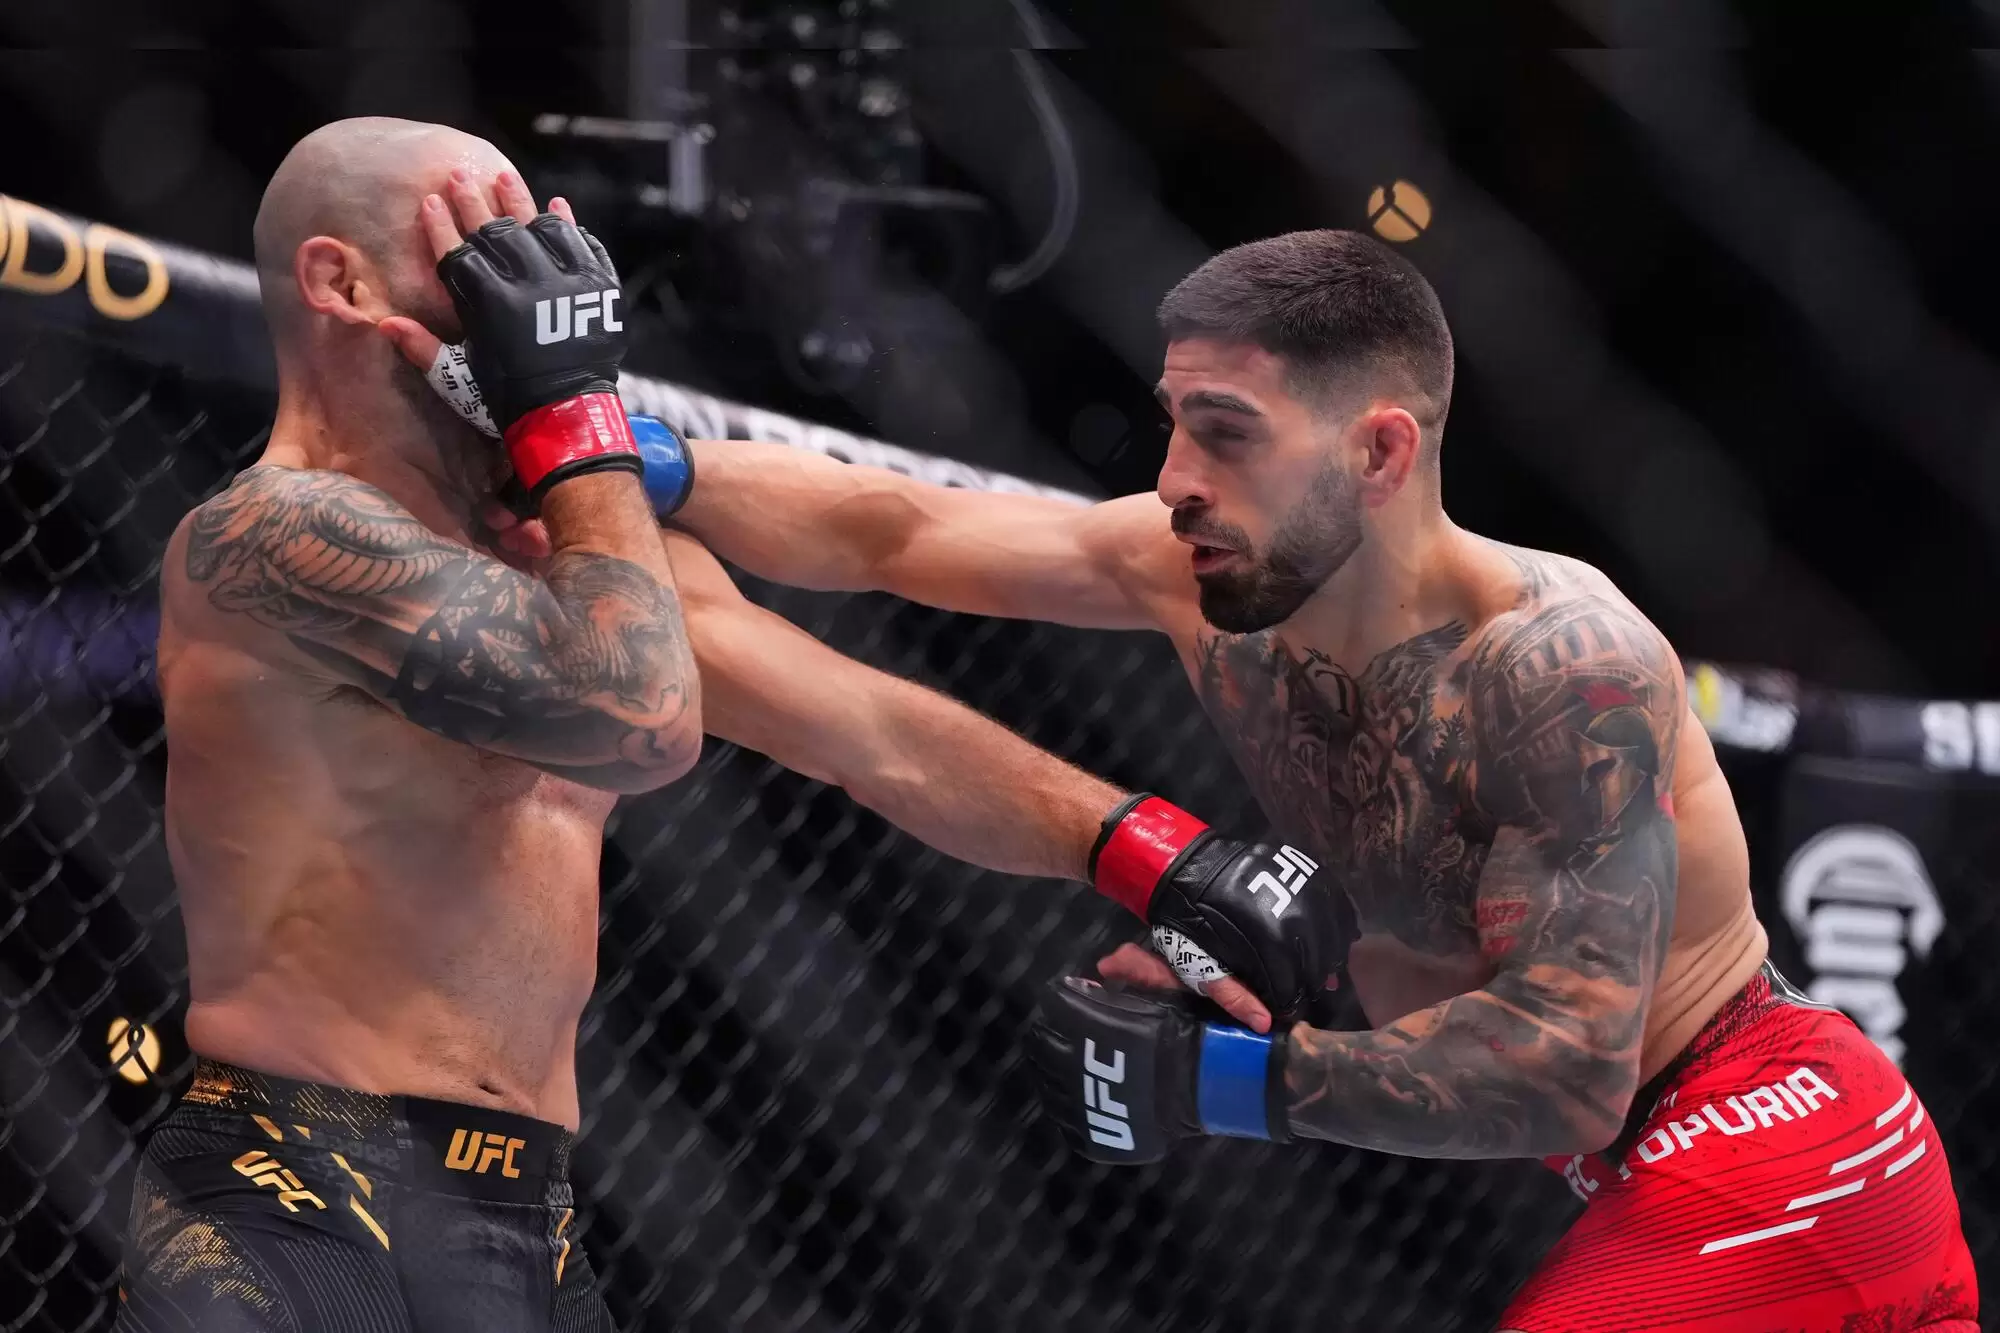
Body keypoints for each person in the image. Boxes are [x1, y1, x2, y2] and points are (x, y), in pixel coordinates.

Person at [123, 119, 1336, 1333]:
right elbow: (637, 724)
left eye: (539, 249)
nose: (530, 290)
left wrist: (1151, 854)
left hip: (523, 1212)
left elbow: (866, 730)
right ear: (340, 281)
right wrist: (570, 415)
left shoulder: (563, 545)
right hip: (296, 1191)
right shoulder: (274, 534)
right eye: (479, 250)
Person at [669, 230, 1979, 1331]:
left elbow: (1567, 1071)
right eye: (1174, 426)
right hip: (1666, 1171)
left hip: (1782, 1133)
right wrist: (640, 455)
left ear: (1378, 453)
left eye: (1225, 436)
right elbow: (894, 527)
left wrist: (1215, 1081)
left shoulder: (1557, 667)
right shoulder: (1196, 584)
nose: (1175, 481)